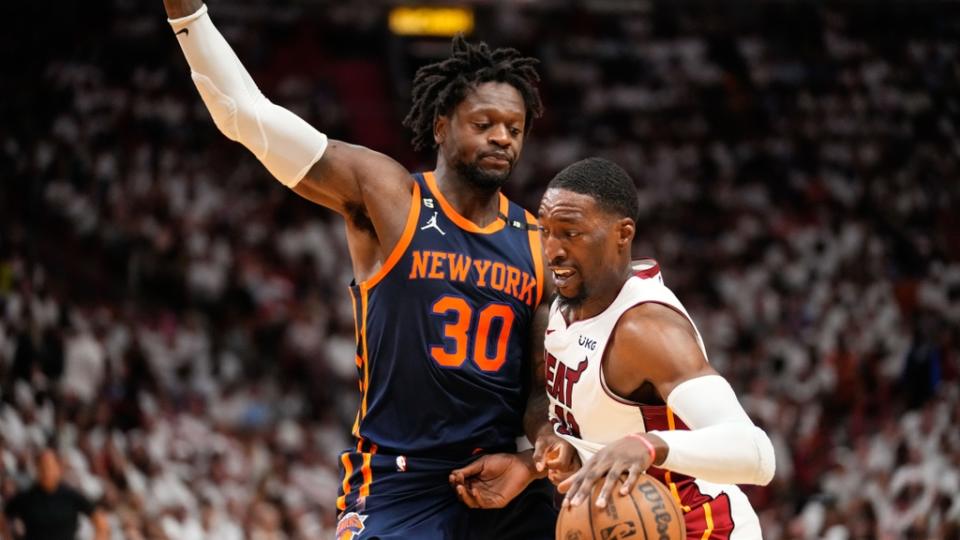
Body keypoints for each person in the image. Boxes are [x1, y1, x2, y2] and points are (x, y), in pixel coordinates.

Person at [161, 1, 576, 537]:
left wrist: (533, 454)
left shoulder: (538, 244)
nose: (503, 138)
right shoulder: (390, 197)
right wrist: (188, 17)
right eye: (485, 123)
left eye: (515, 128)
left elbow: (538, 389)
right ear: (442, 125)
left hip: (498, 482)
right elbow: (245, 114)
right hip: (396, 482)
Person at [454, 158, 776, 538]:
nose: (552, 250)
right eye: (546, 232)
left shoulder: (646, 328)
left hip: (702, 529)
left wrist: (648, 445)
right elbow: (603, 433)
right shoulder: (566, 304)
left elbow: (756, 454)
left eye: (571, 234)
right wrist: (532, 464)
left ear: (623, 234)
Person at [1, 448, 110, 540]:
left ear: (58, 468)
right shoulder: (26, 497)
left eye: (49, 466)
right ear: (36, 469)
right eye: (42, 466)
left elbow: (100, 522)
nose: (46, 471)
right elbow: (3, 518)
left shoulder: (71, 495)